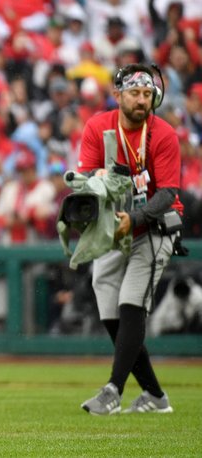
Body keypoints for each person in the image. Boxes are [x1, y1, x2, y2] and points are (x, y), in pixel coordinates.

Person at [77, 63, 183, 415]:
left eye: (148, 94)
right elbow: (88, 177)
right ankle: (154, 395)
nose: (142, 100)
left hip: (154, 225)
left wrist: (133, 219)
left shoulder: (164, 133)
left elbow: (168, 193)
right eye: (135, 93)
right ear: (118, 94)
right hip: (114, 223)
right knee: (108, 304)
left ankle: (113, 390)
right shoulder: (97, 126)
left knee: (131, 302)